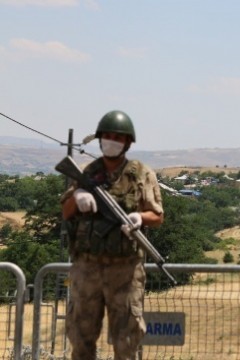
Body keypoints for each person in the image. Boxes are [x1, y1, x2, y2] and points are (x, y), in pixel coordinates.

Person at [61, 110, 164, 360]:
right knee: (81, 337)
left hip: (125, 271)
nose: (111, 141)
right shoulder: (87, 173)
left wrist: (140, 218)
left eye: (117, 137)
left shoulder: (141, 174)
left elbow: (158, 216)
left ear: (127, 142)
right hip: (87, 267)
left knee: (126, 340)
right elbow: (65, 212)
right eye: (106, 136)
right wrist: (77, 196)